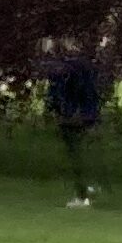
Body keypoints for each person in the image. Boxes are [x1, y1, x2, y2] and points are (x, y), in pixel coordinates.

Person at [43, 48, 107, 207]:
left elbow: (58, 95)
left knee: (76, 156)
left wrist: (62, 112)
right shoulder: (83, 69)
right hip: (82, 116)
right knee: (82, 154)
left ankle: (83, 193)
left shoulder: (67, 71)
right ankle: (90, 188)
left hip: (73, 117)